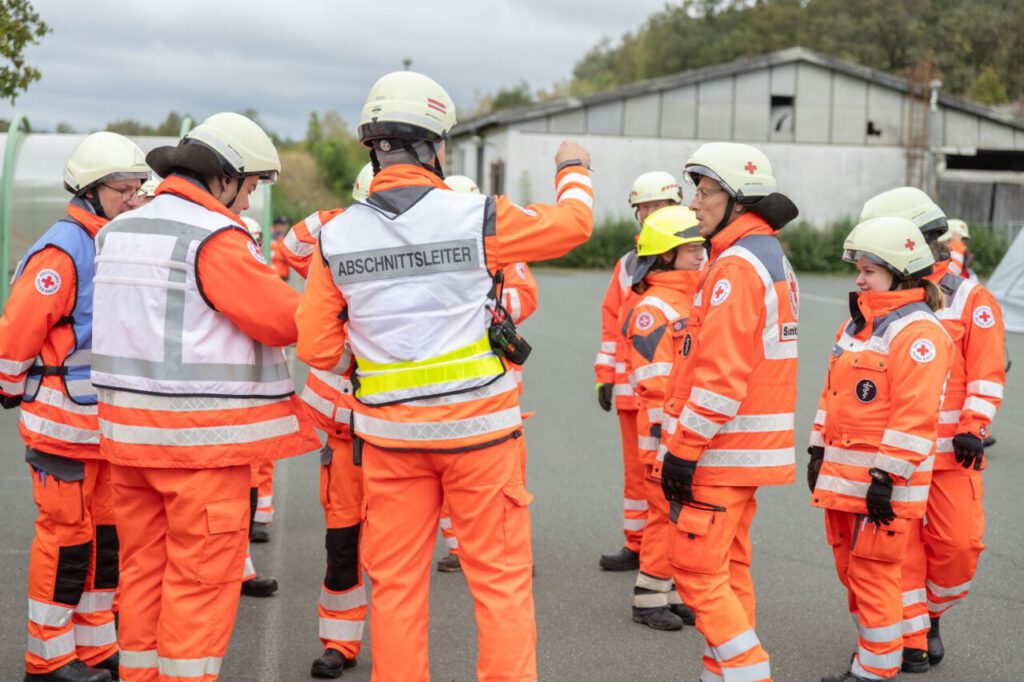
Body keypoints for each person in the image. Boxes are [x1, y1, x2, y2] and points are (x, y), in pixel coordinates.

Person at [296, 70, 593, 682]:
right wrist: (574, 168)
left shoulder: (335, 236)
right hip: (479, 435)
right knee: (500, 586)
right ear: (435, 146)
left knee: (397, 588)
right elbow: (574, 227)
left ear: (372, 148)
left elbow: (317, 347)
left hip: (389, 442)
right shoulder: (476, 215)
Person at [90, 112, 320, 681]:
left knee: (142, 574)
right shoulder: (213, 238)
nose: (247, 202)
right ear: (222, 177)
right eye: (249, 187)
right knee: (199, 584)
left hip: (127, 443)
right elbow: (283, 320)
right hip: (198, 448)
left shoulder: (118, 231)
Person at [0, 131, 148, 682]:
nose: (134, 198)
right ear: (89, 189)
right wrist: (8, 386)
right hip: (63, 425)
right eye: (123, 189)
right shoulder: (63, 250)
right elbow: (16, 332)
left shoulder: (119, 241)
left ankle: (93, 648)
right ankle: (47, 660)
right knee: (66, 543)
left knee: (105, 542)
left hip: (107, 428)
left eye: (138, 188)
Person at [661, 142, 800, 682]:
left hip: (718, 453)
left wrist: (683, 450)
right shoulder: (766, 257)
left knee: (696, 575)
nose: (694, 203)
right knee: (730, 570)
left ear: (738, 200)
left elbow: (719, 378)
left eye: (705, 191)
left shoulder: (737, 267)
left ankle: (749, 671)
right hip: (744, 455)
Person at [858, 188, 1006, 673]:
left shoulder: (969, 297)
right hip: (895, 453)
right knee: (898, 549)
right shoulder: (875, 298)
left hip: (949, 454)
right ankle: (910, 630)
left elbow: (985, 372)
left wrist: (973, 425)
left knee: (958, 546)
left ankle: (932, 612)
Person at [808, 215, 953, 682]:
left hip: (881, 487)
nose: (859, 278)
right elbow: (831, 395)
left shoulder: (917, 332)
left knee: (873, 579)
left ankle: (874, 670)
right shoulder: (859, 325)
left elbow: (914, 416)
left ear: (899, 271)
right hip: (846, 481)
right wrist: (817, 449)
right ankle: (902, 650)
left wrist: (886, 478)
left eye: (869, 270)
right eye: (860, 269)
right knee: (861, 575)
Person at [433, 174, 540, 575]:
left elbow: (524, 298)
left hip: (497, 389)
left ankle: (503, 546)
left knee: (504, 477)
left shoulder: (506, 251)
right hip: (448, 386)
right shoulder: (436, 251)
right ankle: (459, 547)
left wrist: (477, 306)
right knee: (446, 471)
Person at [596, 171, 683, 572]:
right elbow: (612, 322)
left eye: (657, 206)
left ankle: (667, 554)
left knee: (667, 476)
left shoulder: (694, 259)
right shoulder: (628, 264)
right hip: (632, 389)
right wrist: (605, 374)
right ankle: (638, 543)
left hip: (669, 391)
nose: (648, 213)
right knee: (636, 473)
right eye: (642, 207)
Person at [624, 205, 703, 631]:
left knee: (676, 511)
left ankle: (667, 592)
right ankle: (648, 598)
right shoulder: (655, 308)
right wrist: (666, 435)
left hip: (679, 427)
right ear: (666, 255)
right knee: (663, 513)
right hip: (662, 431)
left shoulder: (688, 299)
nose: (699, 255)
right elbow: (655, 380)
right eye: (691, 248)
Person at [269, 215, 292, 281]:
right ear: (276, 225)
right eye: (282, 225)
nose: (284, 227)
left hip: (283, 274)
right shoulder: (269, 235)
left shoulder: (288, 237)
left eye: (285, 224)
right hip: (272, 272)